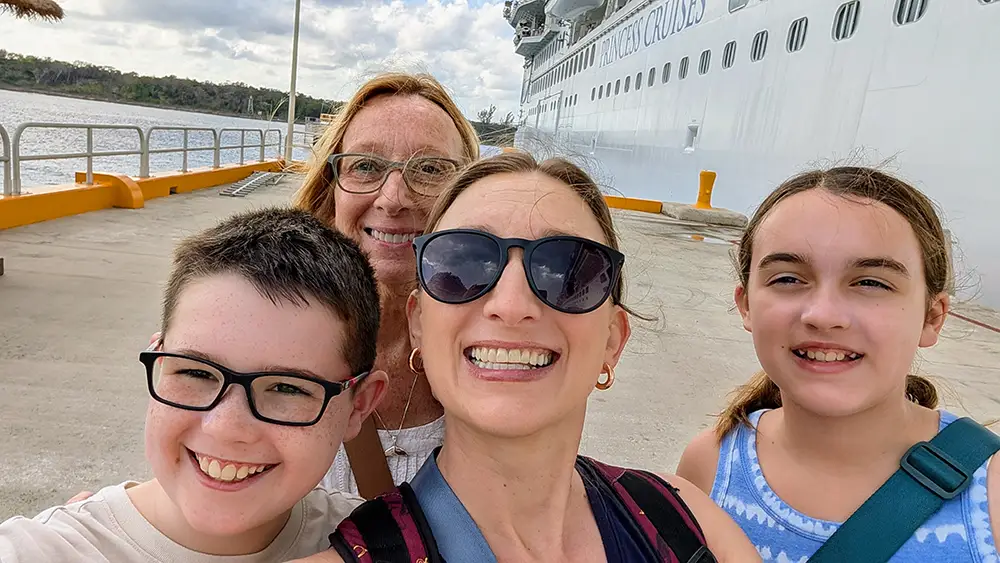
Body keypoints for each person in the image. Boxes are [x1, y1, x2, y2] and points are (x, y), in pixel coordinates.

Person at [292, 152, 761, 563]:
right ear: (418, 324)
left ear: (612, 340)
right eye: (462, 264)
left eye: (566, 271)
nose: (511, 305)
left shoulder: (689, 521)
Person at [0, 208, 389, 562]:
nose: (224, 426)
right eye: (196, 372)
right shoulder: (36, 551)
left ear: (359, 405)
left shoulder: (380, 546)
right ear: (159, 357)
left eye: (288, 388)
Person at [675, 166, 1000, 561]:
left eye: (871, 283)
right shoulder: (709, 465)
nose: (823, 314)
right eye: (788, 279)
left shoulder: (991, 492)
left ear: (932, 317)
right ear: (746, 305)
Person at [294, 71, 481, 497]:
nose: (394, 198)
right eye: (365, 166)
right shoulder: (269, 338)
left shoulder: (502, 344)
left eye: (430, 169)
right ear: (331, 190)